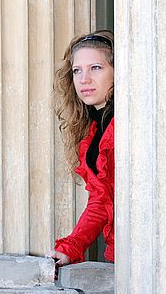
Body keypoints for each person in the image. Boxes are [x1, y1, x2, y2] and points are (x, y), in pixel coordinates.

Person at [45, 30, 114, 267]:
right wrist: (71, 247)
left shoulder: (129, 123)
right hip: (124, 255)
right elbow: (100, 202)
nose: (84, 79)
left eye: (96, 68)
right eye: (77, 70)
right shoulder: (95, 129)